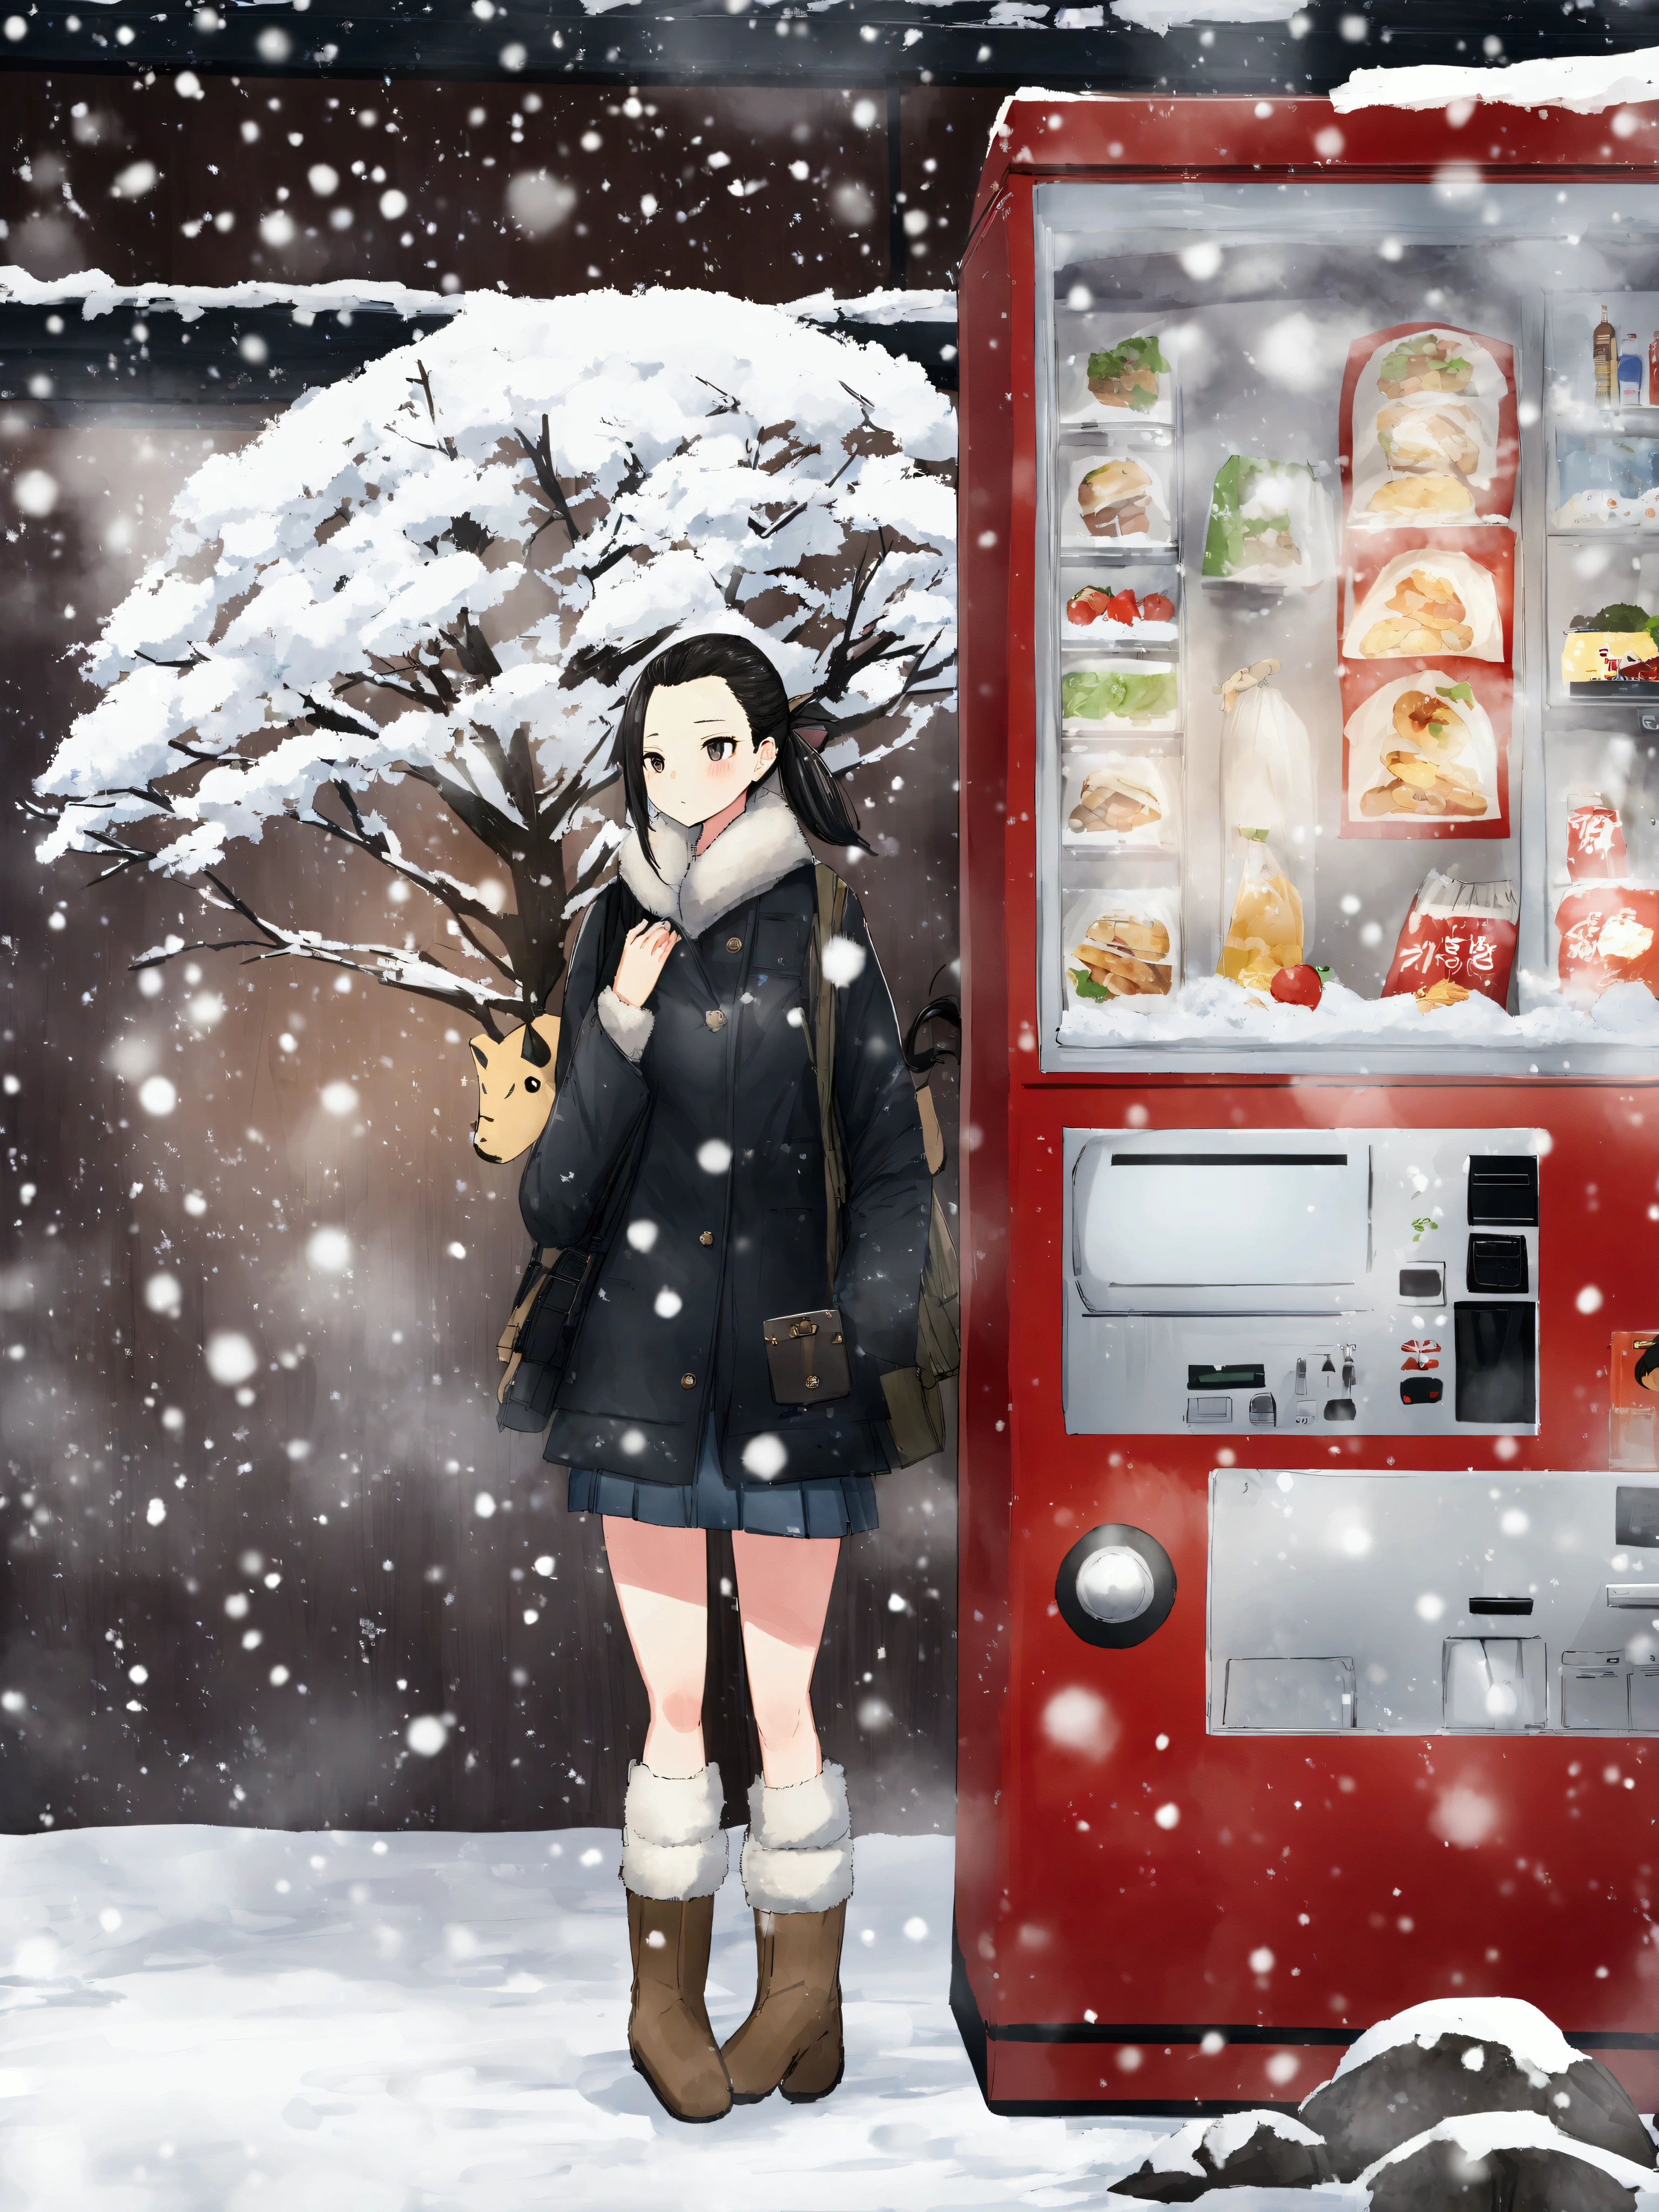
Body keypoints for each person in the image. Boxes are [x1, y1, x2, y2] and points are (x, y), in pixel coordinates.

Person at [519, 631, 932, 2123]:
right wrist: (617, 1030)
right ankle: (664, 1996)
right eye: (653, 753)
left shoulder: (827, 920)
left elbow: (891, 1159)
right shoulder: (608, 927)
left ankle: (805, 1997)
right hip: (636, 1363)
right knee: (677, 1713)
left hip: (789, 1369)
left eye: (709, 746)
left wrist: (865, 1328)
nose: (679, 778)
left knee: (790, 1702)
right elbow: (554, 1198)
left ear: (762, 751)